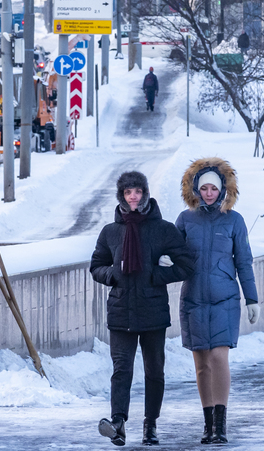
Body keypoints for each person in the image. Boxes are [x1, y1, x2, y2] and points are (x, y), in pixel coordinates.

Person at [90, 171, 194, 446]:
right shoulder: (111, 231)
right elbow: (96, 266)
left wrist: (156, 275)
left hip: (153, 312)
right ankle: (118, 423)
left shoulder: (163, 229)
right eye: (127, 193)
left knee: (154, 370)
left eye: (137, 192)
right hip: (121, 311)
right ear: (121, 196)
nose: (133, 197)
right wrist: (113, 273)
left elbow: (186, 265)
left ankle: (150, 424)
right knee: (121, 369)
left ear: (145, 193)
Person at [175, 158, 258, 445]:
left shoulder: (234, 221)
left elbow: (244, 262)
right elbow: (173, 251)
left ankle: (221, 425)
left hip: (225, 298)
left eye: (214, 188)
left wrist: (252, 298)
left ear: (223, 189)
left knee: (219, 357)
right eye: (204, 188)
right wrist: (164, 261)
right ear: (196, 190)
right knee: (201, 363)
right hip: (194, 299)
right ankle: (208, 423)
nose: (209, 193)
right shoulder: (186, 220)